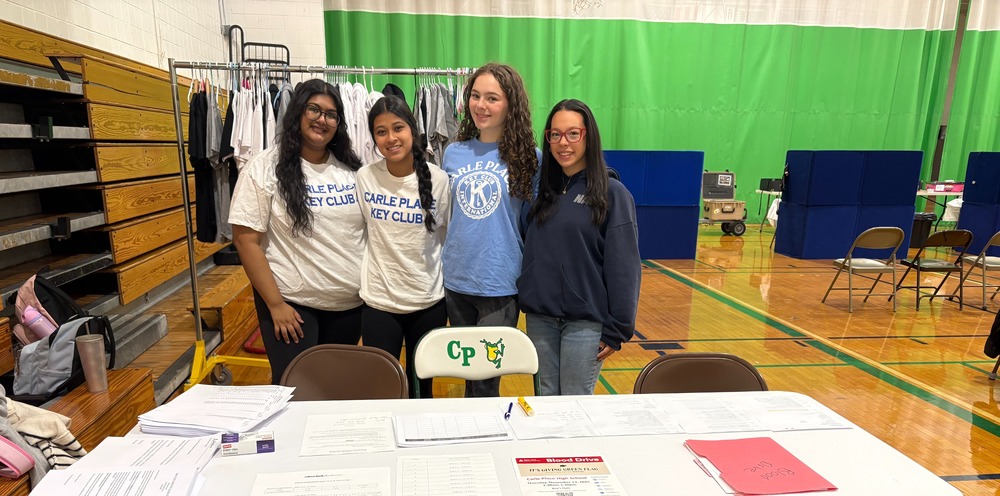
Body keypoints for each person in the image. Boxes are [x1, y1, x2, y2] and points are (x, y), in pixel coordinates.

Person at [229, 79, 365, 384]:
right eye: (314, 109)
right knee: (295, 392)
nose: (322, 119)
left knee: (336, 390)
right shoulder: (265, 166)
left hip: (349, 306)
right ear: (297, 113)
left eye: (331, 114)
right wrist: (276, 305)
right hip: (293, 307)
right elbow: (245, 240)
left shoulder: (352, 169)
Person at [517, 99, 641, 396]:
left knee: (575, 403)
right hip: (540, 318)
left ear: (589, 136)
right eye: (555, 135)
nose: (563, 143)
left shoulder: (612, 193)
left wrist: (618, 329)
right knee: (546, 398)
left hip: (585, 324)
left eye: (573, 134)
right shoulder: (541, 192)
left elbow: (624, 267)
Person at [441, 62, 540, 398]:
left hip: (500, 282)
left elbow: (535, 224)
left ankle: (485, 442)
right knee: (468, 373)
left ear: (510, 104)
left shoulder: (530, 158)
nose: (481, 105)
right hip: (456, 280)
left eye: (492, 98)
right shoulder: (453, 153)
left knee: (486, 380)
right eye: (476, 96)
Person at [357, 96, 450, 398]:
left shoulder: (438, 180)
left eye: (397, 128)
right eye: (381, 132)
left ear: (412, 129)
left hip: (428, 301)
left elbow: (446, 239)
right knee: (380, 388)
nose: (390, 138)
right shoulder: (365, 177)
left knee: (422, 390)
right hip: (380, 303)